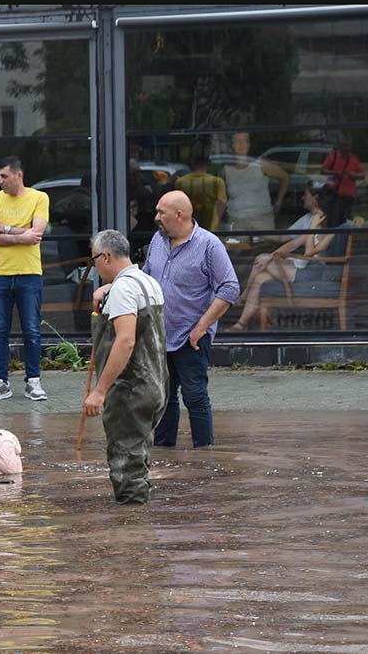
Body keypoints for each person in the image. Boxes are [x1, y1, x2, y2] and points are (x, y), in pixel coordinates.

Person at [97, 191, 239, 448]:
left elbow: (230, 288)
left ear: (179, 215)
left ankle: (204, 453)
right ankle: (164, 452)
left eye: (161, 212)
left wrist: (201, 327)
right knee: (162, 396)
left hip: (191, 336)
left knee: (195, 396)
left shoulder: (209, 245)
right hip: (159, 334)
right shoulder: (158, 240)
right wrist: (111, 287)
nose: (156, 217)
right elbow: (145, 277)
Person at [83, 229, 168, 504]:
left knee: (126, 467)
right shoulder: (148, 282)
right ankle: (139, 517)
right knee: (138, 457)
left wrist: (99, 391)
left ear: (106, 256)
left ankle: (131, 526)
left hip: (131, 389)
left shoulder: (123, 289)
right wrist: (108, 289)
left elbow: (125, 341)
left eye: (94, 260)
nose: (95, 267)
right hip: (156, 385)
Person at [227, 189, 346, 332]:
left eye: (319, 213)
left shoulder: (331, 231)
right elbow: (293, 244)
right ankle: (241, 324)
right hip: (306, 268)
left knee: (263, 262)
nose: (315, 216)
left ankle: (243, 298)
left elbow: (309, 252)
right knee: (260, 277)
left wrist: (313, 227)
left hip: (316, 273)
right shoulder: (316, 226)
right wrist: (271, 255)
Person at [0, 155, 50, 403]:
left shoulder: (39, 197)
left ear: (18, 175)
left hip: (29, 273)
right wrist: (22, 235)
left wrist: (5, 228)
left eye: (4, 176)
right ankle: (0, 382)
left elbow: (37, 233)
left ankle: (33, 381)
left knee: (32, 330)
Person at [222, 132, 289, 231]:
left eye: (245, 141)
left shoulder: (261, 165)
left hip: (262, 219)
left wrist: (279, 202)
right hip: (236, 220)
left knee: (265, 241)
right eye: (237, 141)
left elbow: (284, 177)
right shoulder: (226, 170)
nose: (241, 144)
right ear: (232, 145)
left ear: (250, 144)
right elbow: (223, 197)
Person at [175, 154, 226, 230]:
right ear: (207, 165)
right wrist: (214, 228)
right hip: (209, 226)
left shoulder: (180, 182)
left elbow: (178, 205)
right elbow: (221, 204)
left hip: (188, 228)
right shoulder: (217, 182)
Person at [320, 137, 365, 223]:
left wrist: (354, 175)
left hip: (348, 197)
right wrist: (335, 173)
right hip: (334, 195)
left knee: (346, 221)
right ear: (340, 146)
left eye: (349, 146)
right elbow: (323, 170)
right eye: (345, 146)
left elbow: (362, 175)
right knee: (333, 221)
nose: (347, 148)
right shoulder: (333, 157)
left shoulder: (354, 159)